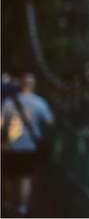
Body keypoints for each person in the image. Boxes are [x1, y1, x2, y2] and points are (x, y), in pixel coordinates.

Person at [1, 72, 55, 217]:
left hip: (10, 147)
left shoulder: (9, 102)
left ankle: (6, 203)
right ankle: (22, 208)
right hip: (29, 147)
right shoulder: (40, 103)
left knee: (8, 177)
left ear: (20, 84)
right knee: (25, 179)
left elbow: (1, 124)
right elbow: (50, 122)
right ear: (33, 85)